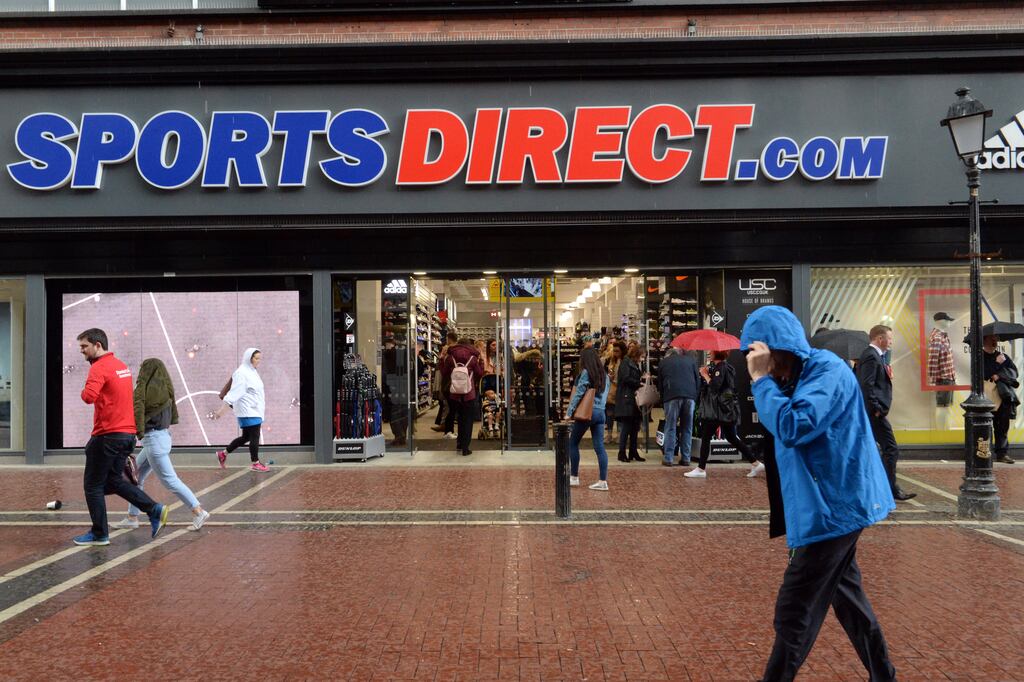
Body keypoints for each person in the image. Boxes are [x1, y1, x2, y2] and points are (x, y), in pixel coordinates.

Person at [741, 306, 897, 682]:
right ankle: (885, 676)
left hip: (835, 510)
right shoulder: (792, 379)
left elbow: (795, 426)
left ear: (781, 348)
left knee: (795, 610)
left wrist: (761, 382)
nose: (754, 362)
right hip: (825, 508)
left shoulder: (826, 371)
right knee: (851, 604)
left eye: (759, 354)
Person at [73, 328, 169, 546]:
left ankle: (99, 534)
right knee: (114, 480)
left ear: (98, 345)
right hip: (127, 435)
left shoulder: (99, 368)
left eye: (84, 347)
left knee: (93, 486)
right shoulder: (121, 366)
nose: (82, 351)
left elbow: (88, 397)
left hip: (107, 435)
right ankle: (154, 509)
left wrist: (85, 388)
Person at [115, 358, 210, 532]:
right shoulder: (165, 391)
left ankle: (198, 511)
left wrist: (134, 432)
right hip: (162, 438)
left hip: (154, 442)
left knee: (170, 480)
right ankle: (132, 517)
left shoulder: (143, 392)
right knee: (135, 476)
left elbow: (137, 411)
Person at [856, 325, 916, 500]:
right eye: (889, 338)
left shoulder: (876, 357)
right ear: (879, 339)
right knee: (891, 449)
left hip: (875, 412)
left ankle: (882, 488)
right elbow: (867, 385)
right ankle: (889, 489)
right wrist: (876, 409)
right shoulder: (871, 356)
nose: (891, 341)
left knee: (877, 450)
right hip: (874, 413)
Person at [686, 350, 761, 478]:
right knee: (732, 438)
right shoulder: (724, 367)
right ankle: (755, 463)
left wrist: (705, 375)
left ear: (718, 354)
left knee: (706, 437)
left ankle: (701, 469)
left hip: (717, 411)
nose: (709, 352)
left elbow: (715, 386)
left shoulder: (720, 368)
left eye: (712, 351)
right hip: (725, 410)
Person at [214, 347, 270, 472]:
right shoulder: (242, 373)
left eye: (259, 358)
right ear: (249, 358)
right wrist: (221, 412)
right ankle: (255, 463)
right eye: (256, 358)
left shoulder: (251, 371)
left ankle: (223, 454)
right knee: (255, 436)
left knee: (246, 437)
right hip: (248, 411)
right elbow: (234, 393)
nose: (258, 361)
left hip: (253, 410)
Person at [566, 347, 612, 490]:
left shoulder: (586, 373)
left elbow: (579, 393)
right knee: (599, 447)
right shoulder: (605, 376)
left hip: (587, 412)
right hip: (600, 413)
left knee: (572, 443)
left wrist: (569, 411)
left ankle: (574, 477)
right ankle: (602, 481)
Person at [656, 346, 701, 467]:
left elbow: (659, 384)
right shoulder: (690, 361)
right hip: (690, 397)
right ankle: (686, 458)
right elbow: (698, 381)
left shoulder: (664, 362)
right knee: (687, 427)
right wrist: (694, 397)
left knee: (670, 426)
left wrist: (663, 399)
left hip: (672, 396)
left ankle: (669, 458)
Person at [441, 337, 483, 456]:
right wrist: (481, 362)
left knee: (459, 418)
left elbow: (444, 373)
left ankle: (459, 443)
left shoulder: (450, 357)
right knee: (467, 420)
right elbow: (480, 374)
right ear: (469, 346)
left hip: (454, 393)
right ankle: (466, 447)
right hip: (469, 392)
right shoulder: (473, 358)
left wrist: (441, 359)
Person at [984, 334, 1018, 464]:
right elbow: (984, 374)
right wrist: (997, 365)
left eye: (996, 339)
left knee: (1002, 426)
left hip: (1002, 395)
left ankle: (1002, 454)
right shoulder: (979, 357)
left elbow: (1014, 373)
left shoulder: (1003, 357)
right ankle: (983, 453)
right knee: (985, 426)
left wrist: (1000, 373)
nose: (994, 341)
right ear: (984, 340)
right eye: (991, 339)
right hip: (986, 397)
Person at [613, 342, 644, 462]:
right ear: (636, 355)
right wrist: (638, 382)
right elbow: (625, 378)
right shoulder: (626, 363)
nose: (643, 358)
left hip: (633, 399)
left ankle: (633, 451)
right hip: (627, 399)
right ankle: (622, 453)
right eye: (642, 356)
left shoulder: (634, 364)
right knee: (626, 428)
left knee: (635, 427)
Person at [432, 331, 459, 437]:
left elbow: (444, 372)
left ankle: (448, 430)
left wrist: (442, 359)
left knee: (449, 408)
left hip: (448, 384)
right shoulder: (455, 356)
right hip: (452, 384)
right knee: (450, 408)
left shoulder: (448, 358)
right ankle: (448, 430)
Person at [602, 341, 623, 444]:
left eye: (617, 351)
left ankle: (619, 434)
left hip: (621, 390)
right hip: (611, 390)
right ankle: (609, 434)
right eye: (614, 351)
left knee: (619, 414)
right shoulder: (610, 361)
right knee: (609, 413)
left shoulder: (624, 361)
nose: (615, 353)